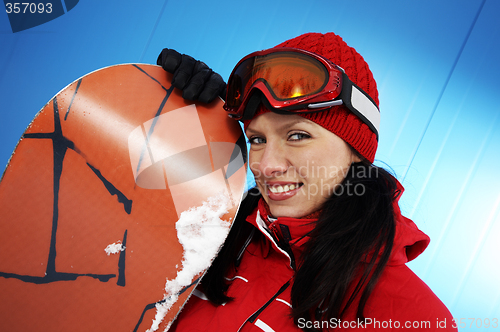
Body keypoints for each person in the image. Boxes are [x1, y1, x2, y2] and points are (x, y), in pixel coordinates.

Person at [157, 32, 457, 331]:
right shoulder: (207, 235)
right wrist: (179, 121)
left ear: (355, 151)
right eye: (258, 139)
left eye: (297, 135)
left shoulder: (414, 318)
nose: (266, 165)